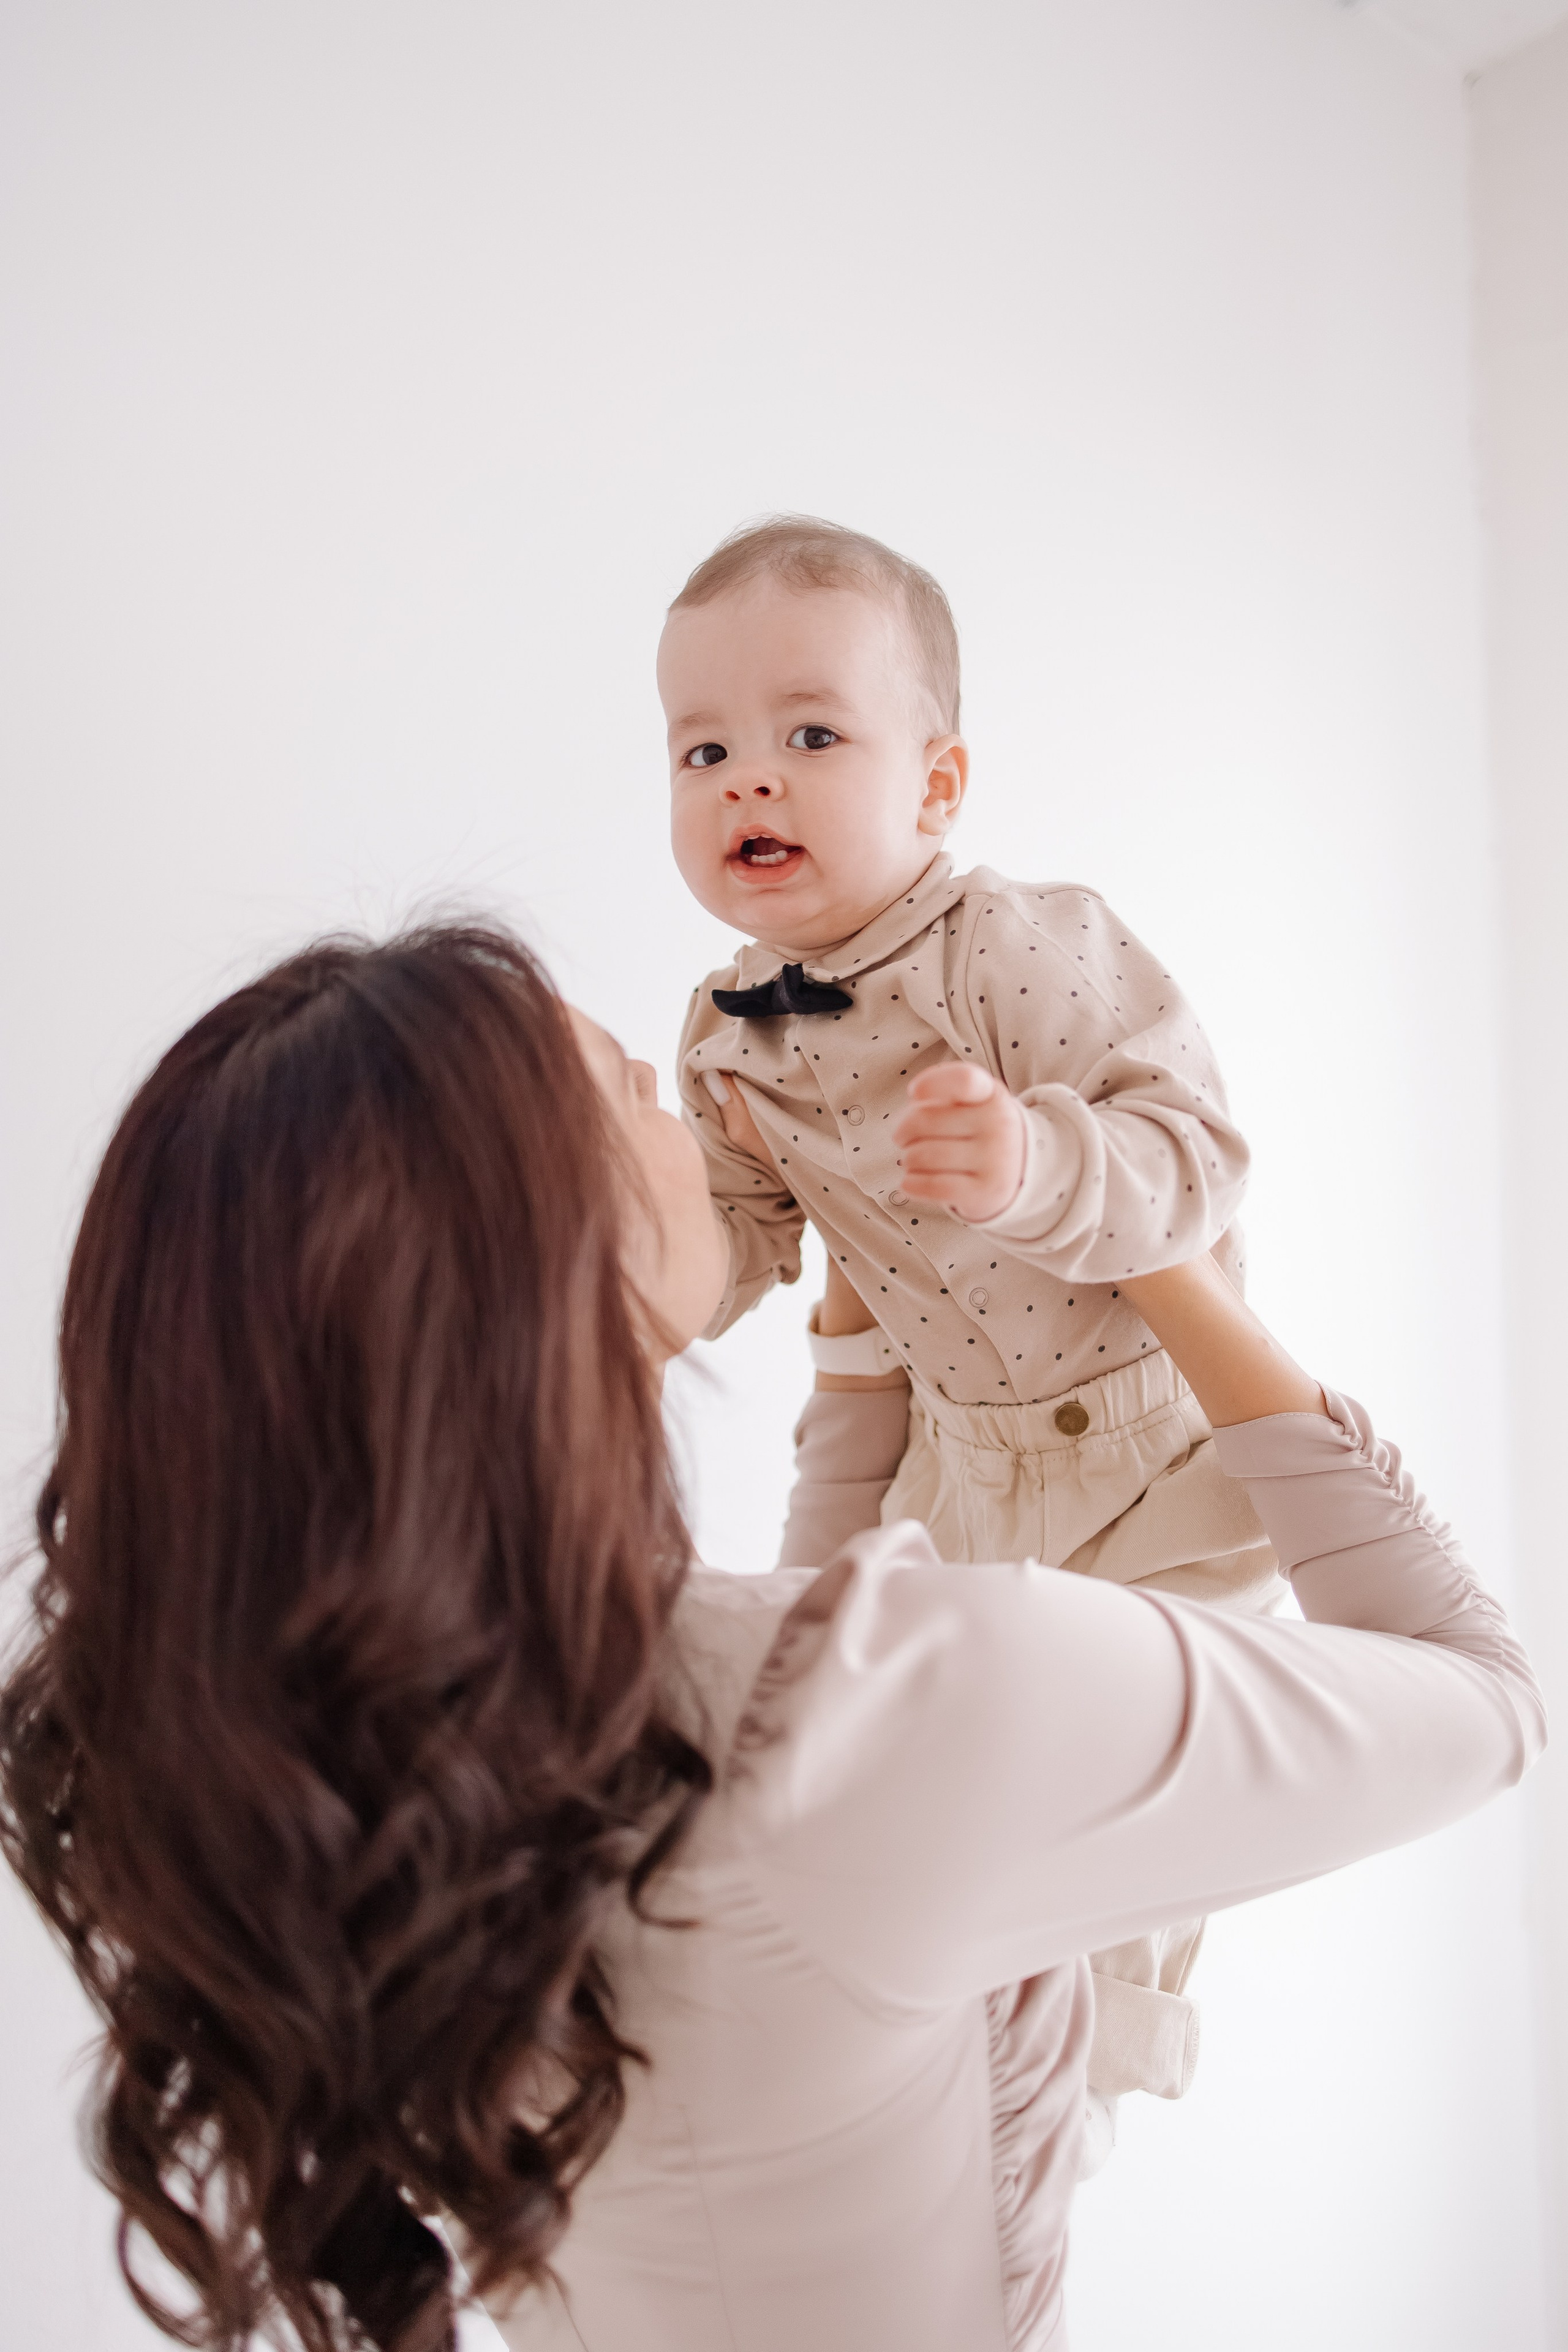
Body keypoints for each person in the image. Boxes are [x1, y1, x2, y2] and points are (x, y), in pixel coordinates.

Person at [0, 923, 1542, 2352]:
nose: (688, 1113)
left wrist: (861, 1319)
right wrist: (1144, 1245)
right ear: (551, 1262)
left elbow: (775, 1753)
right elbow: (1480, 1699)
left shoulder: (354, 1773)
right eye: (630, 1085)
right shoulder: (909, 1706)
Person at [663, 514, 1272, 2108]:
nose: (748, 782)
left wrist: (1036, 1163)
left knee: (1134, 1805)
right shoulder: (725, 1037)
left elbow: (1199, 1157)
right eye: (704, 750)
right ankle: (922, 2076)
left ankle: (1081, 2104)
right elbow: (741, 1245)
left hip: (1152, 1459)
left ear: (936, 785)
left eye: (810, 736)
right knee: (908, 1789)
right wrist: (636, 1269)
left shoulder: (1021, 945)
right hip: (959, 1474)